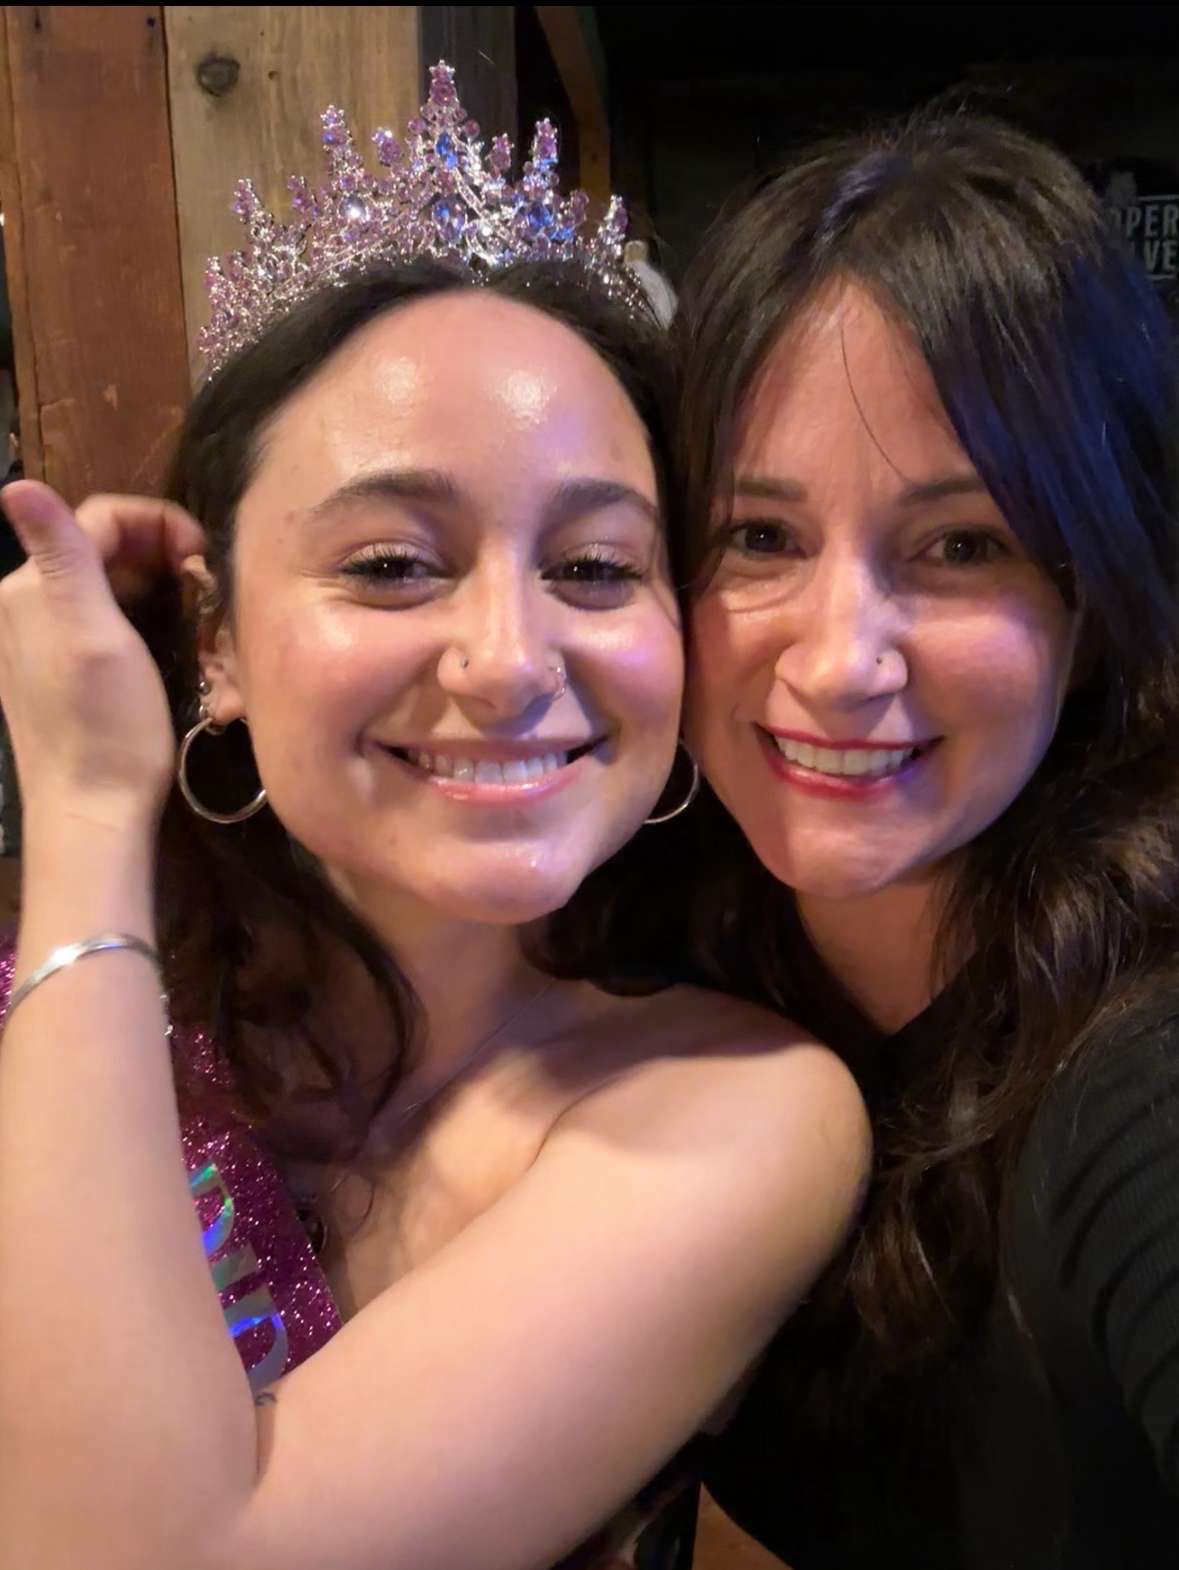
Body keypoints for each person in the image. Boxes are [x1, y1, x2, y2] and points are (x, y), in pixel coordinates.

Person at [0, 69, 869, 1570]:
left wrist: (83, 803)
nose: (510, 662)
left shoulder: (741, 1111)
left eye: (594, 568)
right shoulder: (74, 1017)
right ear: (215, 640)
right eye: (394, 564)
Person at [648, 110, 1179, 1567]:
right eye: (759, 537)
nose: (839, 662)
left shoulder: (1134, 1068)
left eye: (961, 545)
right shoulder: (664, 952)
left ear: (1090, 605)